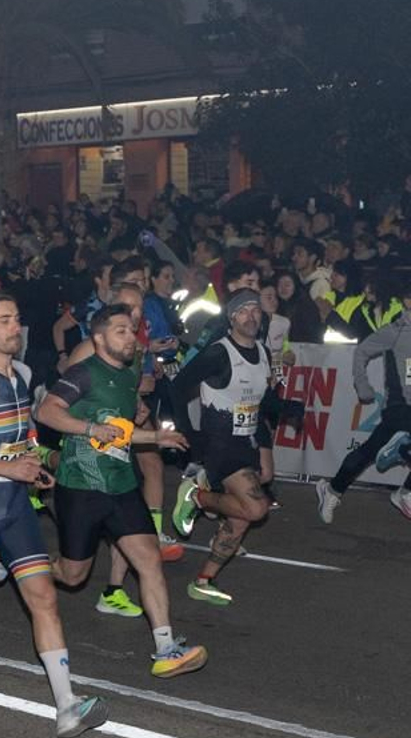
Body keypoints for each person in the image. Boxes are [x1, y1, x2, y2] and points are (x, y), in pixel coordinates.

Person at [0, 291, 109, 738]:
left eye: (16, 319)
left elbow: (20, 436)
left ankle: (67, 705)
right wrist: (7, 468)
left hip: (12, 507)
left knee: (44, 599)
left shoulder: (24, 373)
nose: (16, 327)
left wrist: (37, 464)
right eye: (6, 320)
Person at [36, 304, 208, 678]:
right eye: (121, 331)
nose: (131, 337)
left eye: (132, 331)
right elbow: (46, 413)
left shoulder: (129, 376)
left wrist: (154, 437)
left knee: (149, 559)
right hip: (81, 485)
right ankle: (20, 562)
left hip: (121, 483)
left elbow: (119, 431)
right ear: (99, 338)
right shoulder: (84, 373)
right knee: (72, 575)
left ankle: (166, 648)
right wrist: (87, 430)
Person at [169, 289, 274, 605]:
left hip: (247, 437)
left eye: (256, 310)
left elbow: (258, 399)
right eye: (243, 311)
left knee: (242, 514)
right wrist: (188, 433)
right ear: (231, 317)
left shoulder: (263, 352)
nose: (251, 316)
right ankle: (197, 496)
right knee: (256, 508)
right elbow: (177, 387)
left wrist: (283, 409)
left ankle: (204, 580)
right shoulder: (218, 352)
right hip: (219, 440)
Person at [316, 292, 411, 523]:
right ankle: (400, 464)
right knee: (373, 450)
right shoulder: (395, 330)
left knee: (368, 451)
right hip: (399, 407)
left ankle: (334, 489)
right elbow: (362, 351)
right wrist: (363, 385)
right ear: (408, 302)